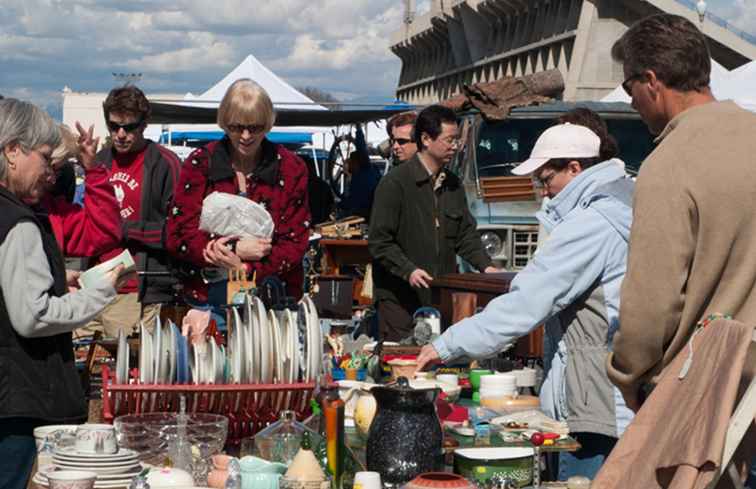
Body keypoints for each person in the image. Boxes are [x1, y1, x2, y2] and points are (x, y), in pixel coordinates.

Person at [416, 121, 635, 479]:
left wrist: (445, 346)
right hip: (615, 388)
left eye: (546, 178)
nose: (543, 191)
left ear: (575, 168)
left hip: (595, 397)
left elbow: (526, 302)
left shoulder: (591, 224)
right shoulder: (621, 202)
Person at [607, 14, 755, 484]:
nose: (630, 100)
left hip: (703, 398)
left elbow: (651, 306)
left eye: (629, 86)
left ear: (651, 80)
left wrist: (628, 375)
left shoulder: (669, 163)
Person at [0, 99, 121, 489]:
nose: (50, 171)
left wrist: (55, 278)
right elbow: (32, 315)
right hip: (18, 399)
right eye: (45, 157)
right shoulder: (17, 222)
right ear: (13, 151)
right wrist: (97, 294)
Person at [167, 79, 310, 315]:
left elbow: (295, 242)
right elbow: (178, 234)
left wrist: (245, 268)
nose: (245, 136)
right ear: (224, 123)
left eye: (254, 128)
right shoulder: (200, 162)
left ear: (268, 125)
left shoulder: (292, 168)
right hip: (206, 298)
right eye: (236, 127)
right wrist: (235, 249)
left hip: (271, 301)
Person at [369, 105, 495, 342]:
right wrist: (409, 270)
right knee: (402, 368)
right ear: (426, 139)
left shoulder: (453, 185)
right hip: (399, 300)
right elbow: (379, 242)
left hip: (439, 297)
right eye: (449, 140)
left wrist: (486, 267)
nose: (455, 146)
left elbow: (465, 235)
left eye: (457, 140)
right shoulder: (394, 183)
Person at [82, 86, 181, 338]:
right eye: (114, 127)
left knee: (125, 371)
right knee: (83, 364)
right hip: (92, 286)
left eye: (129, 127)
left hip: (136, 289)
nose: (121, 134)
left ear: (144, 124)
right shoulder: (100, 160)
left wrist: (126, 229)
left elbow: (179, 233)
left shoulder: (164, 163)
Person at [43, 123, 122, 257]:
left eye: (58, 172)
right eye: (48, 166)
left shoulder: (54, 211)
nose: (52, 179)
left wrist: (92, 167)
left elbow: (103, 235)